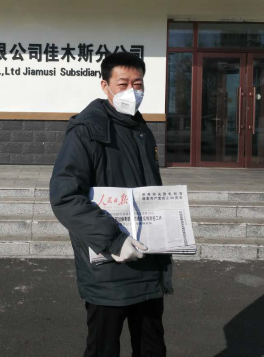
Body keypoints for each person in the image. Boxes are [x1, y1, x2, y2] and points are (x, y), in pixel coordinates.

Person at [50, 52, 173, 357]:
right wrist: (114, 239)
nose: (132, 91)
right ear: (105, 85)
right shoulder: (87, 131)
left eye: (138, 84)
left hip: (147, 261)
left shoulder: (141, 130)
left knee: (152, 347)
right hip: (108, 268)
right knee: (103, 348)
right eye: (123, 84)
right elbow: (65, 196)